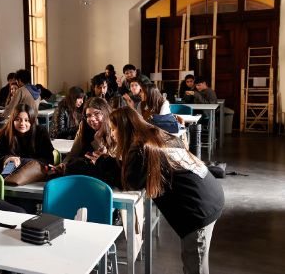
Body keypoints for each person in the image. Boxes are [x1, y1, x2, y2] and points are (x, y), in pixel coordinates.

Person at [91, 107, 224, 274]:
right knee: (194, 261)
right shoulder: (154, 135)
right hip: (208, 194)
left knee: (195, 264)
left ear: (124, 127)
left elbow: (131, 182)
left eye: (113, 128)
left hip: (199, 206)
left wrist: (102, 163)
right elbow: (134, 171)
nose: (112, 134)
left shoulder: (141, 147)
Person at [0, 104, 54, 172]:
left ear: (32, 121)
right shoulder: (4, 132)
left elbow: (49, 159)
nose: (22, 123)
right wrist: (7, 159)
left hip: (35, 171)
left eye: (26, 120)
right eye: (18, 119)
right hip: (12, 171)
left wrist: (24, 162)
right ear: (12, 120)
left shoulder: (41, 132)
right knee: (6, 174)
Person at [59, 97, 113, 170]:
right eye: (88, 115)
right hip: (85, 169)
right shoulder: (84, 126)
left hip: (105, 171)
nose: (92, 119)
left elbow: (111, 161)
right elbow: (73, 153)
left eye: (97, 113)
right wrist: (63, 165)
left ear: (105, 113)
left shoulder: (114, 128)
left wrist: (98, 140)